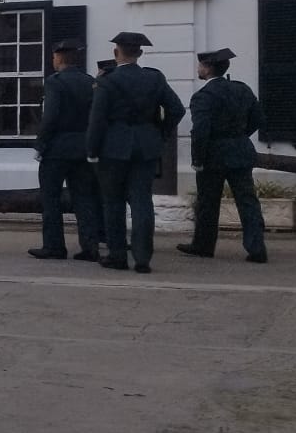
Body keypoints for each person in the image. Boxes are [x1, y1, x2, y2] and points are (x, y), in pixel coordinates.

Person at [87, 31, 185, 273]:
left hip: (113, 147)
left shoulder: (106, 80)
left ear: (115, 53)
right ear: (140, 54)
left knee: (113, 203)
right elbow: (176, 109)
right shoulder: (154, 78)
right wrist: (159, 131)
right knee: (142, 201)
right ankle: (142, 258)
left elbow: (97, 119)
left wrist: (92, 149)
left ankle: (117, 255)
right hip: (146, 145)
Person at [180, 48, 267, 264]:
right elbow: (258, 118)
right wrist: (239, 136)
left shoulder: (203, 96)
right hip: (239, 150)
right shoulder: (242, 89)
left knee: (208, 202)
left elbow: (200, 130)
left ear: (208, 68)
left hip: (214, 155)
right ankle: (257, 248)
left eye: (201, 65)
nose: (198, 68)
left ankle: (203, 245)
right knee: (247, 201)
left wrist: (197, 159)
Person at [31, 40, 102, 262]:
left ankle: (54, 246)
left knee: (50, 199)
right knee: (84, 199)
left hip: (57, 149)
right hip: (83, 147)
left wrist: (40, 144)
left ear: (59, 58)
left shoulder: (55, 82)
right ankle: (90, 247)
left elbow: (50, 117)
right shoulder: (90, 82)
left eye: (53, 57)